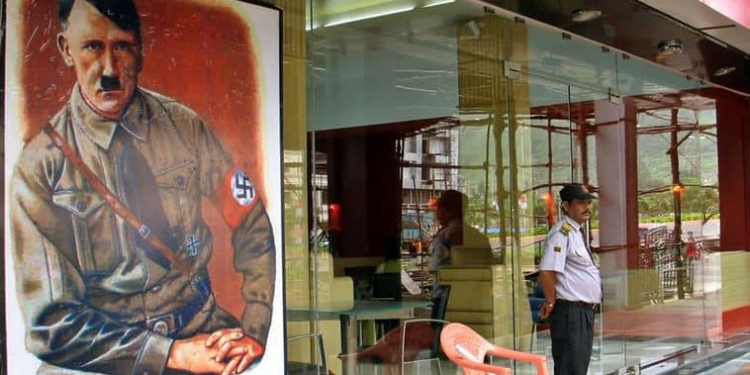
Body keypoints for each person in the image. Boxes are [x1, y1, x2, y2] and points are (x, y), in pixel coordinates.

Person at [9, 0, 275, 374]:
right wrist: (171, 354)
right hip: (103, 360)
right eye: (92, 47)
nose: (109, 71)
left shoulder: (185, 127)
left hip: (200, 331)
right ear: (65, 49)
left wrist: (256, 326)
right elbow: (51, 325)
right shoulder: (40, 169)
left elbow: (250, 219)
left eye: (122, 47)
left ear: (141, 51)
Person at [538, 183, 602, 375]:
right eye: (581, 203)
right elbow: (547, 270)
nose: (587, 208)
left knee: (578, 366)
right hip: (570, 311)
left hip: (582, 311)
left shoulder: (575, 232)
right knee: (570, 367)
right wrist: (550, 302)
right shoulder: (562, 232)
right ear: (566, 206)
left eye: (589, 203)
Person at [427, 190, 491, 286]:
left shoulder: (444, 237)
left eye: (439, 209)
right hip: (480, 294)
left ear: (451, 211)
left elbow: (434, 269)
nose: (436, 213)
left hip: (448, 297)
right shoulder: (481, 237)